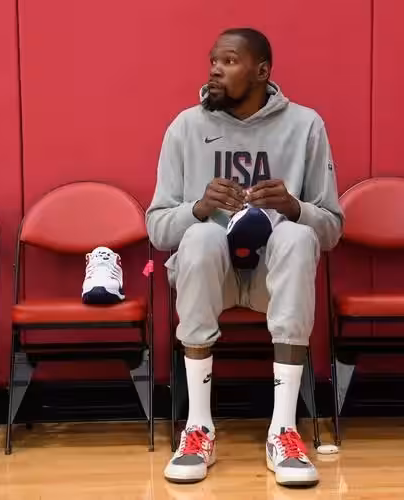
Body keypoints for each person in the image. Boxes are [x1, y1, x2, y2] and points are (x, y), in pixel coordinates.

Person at [145, 27, 343, 487]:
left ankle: (283, 431)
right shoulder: (185, 127)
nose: (215, 70)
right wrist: (199, 207)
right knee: (198, 237)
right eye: (213, 61)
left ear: (261, 71)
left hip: (274, 278)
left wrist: (294, 207)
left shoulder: (305, 125)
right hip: (209, 275)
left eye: (229, 61)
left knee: (298, 236)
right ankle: (198, 428)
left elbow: (331, 229)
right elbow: (157, 228)